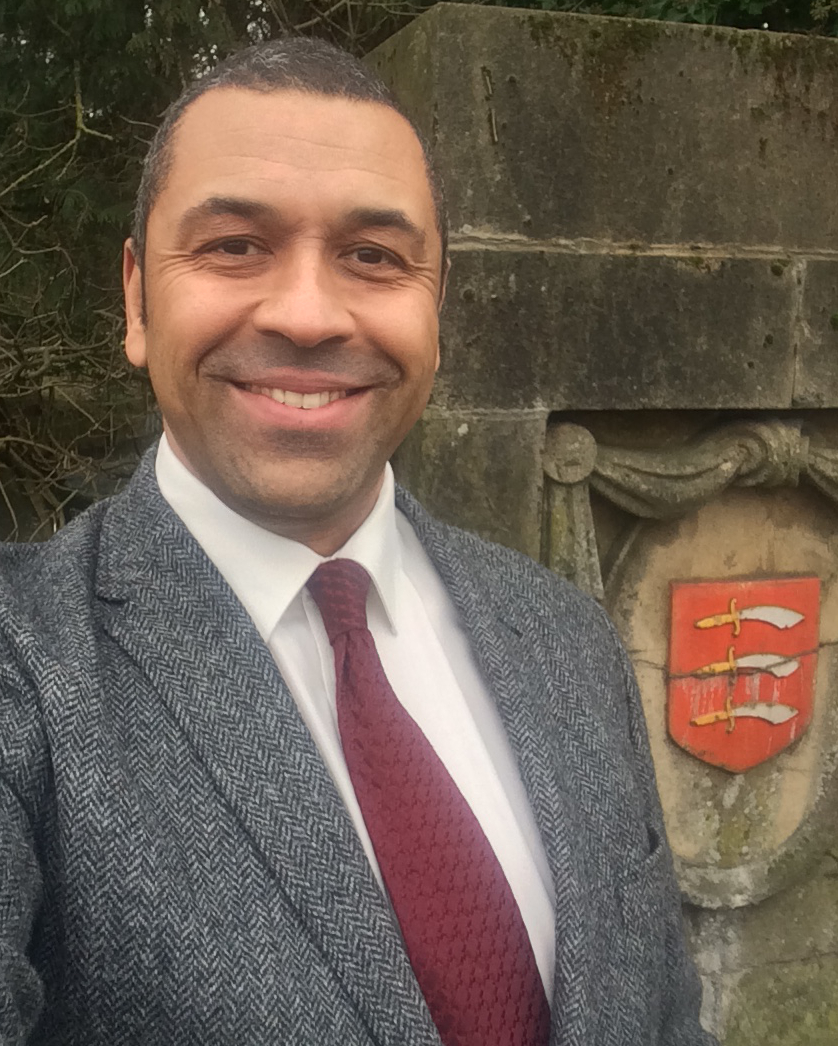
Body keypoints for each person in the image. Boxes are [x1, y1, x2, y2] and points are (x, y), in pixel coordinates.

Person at [0, 36, 716, 1046]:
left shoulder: (568, 636)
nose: (308, 315)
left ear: (436, 305)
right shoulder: (27, 669)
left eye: (374, 256)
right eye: (234, 245)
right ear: (136, 298)